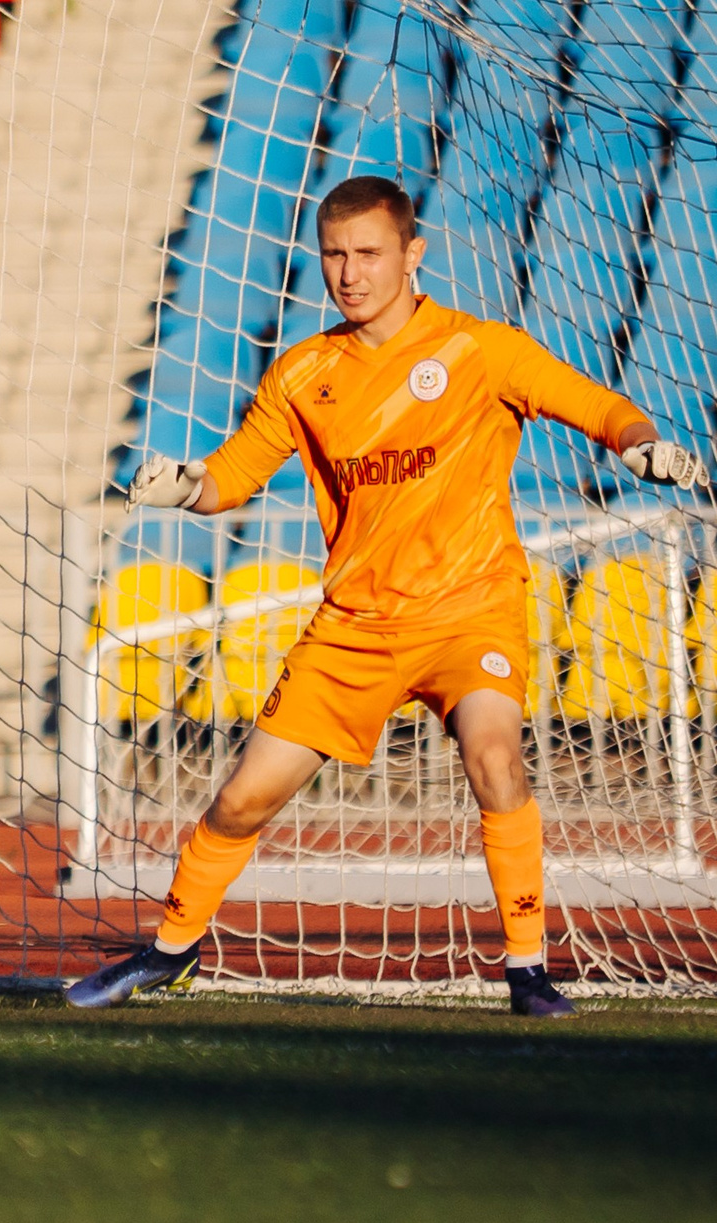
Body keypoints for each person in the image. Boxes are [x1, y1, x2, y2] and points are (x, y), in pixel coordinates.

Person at [67, 175, 706, 1017]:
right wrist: (183, 485)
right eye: (334, 254)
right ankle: (172, 950)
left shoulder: (482, 350)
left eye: (369, 253)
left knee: (496, 758)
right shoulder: (305, 373)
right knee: (241, 799)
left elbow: (599, 408)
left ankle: (526, 968)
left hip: (470, 607)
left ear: (413, 254)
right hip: (355, 628)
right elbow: (232, 476)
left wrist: (642, 447)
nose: (350, 272)